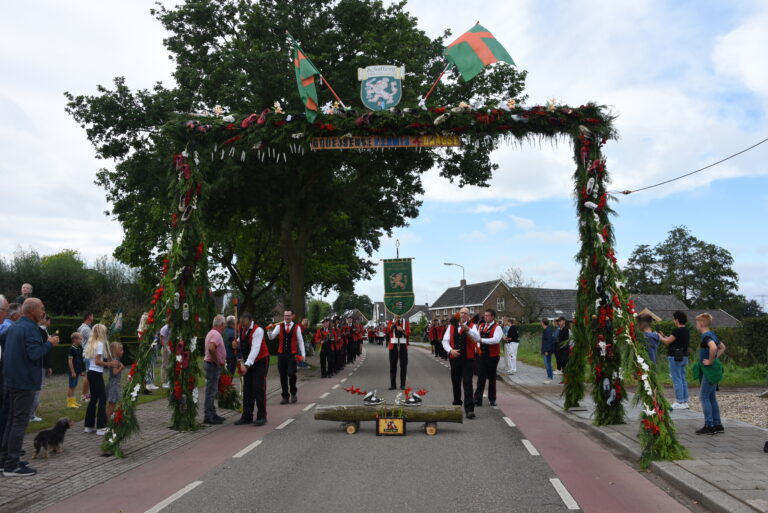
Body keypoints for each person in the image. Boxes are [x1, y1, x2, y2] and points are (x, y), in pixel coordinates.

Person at [1, 298, 59, 476]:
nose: (43, 312)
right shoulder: (31, 329)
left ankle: (5, 460)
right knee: (19, 421)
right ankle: (12, 465)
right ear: (32, 311)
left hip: (10, 380)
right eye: (42, 309)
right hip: (25, 381)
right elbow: (34, 354)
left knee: (11, 420)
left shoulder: (14, 327)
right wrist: (50, 343)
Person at [442, 308, 479, 419]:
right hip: (455, 359)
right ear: (458, 314)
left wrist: (468, 330)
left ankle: (469, 409)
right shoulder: (451, 326)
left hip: (468, 359)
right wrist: (450, 350)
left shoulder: (472, 326)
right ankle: (457, 405)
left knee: (467, 384)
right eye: (462, 313)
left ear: (468, 316)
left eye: (466, 313)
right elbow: (445, 341)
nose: (463, 315)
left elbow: (477, 339)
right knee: (456, 383)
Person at [83, 324, 120, 435]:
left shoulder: (91, 344)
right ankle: (101, 427)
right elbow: (98, 361)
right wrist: (110, 363)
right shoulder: (99, 344)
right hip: (96, 373)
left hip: (90, 373)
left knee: (93, 399)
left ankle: (88, 426)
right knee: (102, 398)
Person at [235, 312, 269, 426]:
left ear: (249, 320)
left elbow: (255, 349)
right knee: (247, 389)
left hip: (260, 361)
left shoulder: (258, 331)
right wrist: (236, 343)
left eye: (243, 322)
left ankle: (262, 416)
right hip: (249, 362)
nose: (242, 324)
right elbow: (242, 340)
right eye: (241, 322)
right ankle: (247, 416)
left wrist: (247, 365)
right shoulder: (242, 328)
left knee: (258, 387)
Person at [694, 313, 726, 435]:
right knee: (711, 397)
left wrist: (710, 360)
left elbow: (713, 348)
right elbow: (722, 347)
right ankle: (717, 424)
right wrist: (715, 359)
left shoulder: (706, 336)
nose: (696, 325)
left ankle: (709, 426)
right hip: (715, 370)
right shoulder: (712, 334)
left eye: (696, 323)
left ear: (701, 324)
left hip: (709, 371)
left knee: (703, 396)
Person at [268, 309, 305, 404]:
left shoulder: (297, 327)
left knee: (291, 373)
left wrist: (303, 355)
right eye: (285, 315)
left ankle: (293, 392)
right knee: (282, 376)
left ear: (292, 316)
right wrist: (269, 330)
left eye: (288, 315)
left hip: (292, 354)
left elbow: (300, 341)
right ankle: (285, 396)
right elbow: (271, 338)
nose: (286, 317)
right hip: (281, 354)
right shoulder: (279, 326)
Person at [659, 310, 690, 410]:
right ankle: (685, 401)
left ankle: (679, 401)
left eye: (674, 319)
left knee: (676, 379)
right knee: (682, 378)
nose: (673, 320)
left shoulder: (677, 331)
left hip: (675, 357)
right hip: (684, 356)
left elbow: (667, 341)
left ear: (677, 320)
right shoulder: (686, 330)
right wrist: (664, 336)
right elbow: (674, 340)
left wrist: (660, 337)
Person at [474, 309, 503, 407]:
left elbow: (496, 340)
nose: (485, 317)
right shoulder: (481, 326)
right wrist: (477, 348)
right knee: (481, 378)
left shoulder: (497, 327)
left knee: (491, 378)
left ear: (493, 317)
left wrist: (482, 340)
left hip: (492, 357)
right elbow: (477, 338)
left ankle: (492, 399)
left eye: (487, 315)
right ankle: (478, 399)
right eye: (485, 315)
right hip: (481, 356)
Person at [203, 315, 227, 425]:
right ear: (221, 324)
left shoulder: (211, 333)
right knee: (211, 391)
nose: (225, 327)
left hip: (211, 364)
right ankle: (208, 416)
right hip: (212, 365)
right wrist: (218, 361)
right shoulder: (216, 335)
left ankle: (212, 413)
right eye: (224, 325)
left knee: (212, 391)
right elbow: (211, 348)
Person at [387, 315, 410, 390]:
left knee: (403, 365)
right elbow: (387, 331)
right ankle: (393, 385)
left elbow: (408, 333)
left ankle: (402, 384)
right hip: (393, 345)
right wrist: (395, 323)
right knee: (393, 365)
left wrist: (402, 330)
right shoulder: (390, 321)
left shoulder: (406, 322)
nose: (397, 315)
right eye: (395, 314)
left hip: (403, 345)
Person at [106, 342, 125, 419]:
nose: (122, 351)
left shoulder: (115, 359)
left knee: (112, 404)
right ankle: (106, 421)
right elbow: (115, 373)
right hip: (114, 384)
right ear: (116, 351)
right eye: (121, 350)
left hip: (112, 383)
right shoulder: (115, 361)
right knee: (112, 404)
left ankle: (106, 419)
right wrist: (121, 368)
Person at [66, 332, 85, 408]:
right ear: (74, 339)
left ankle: (73, 401)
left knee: (74, 386)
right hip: (73, 372)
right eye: (80, 339)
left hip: (77, 371)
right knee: (71, 386)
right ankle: (69, 403)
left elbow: (79, 361)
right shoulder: (71, 349)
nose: (81, 341)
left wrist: (80, 371)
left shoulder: (78, 349)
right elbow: (70, 361)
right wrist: (73, 371)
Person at [78, 312, 94, 401]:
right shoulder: (85, 329)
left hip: (88, 353)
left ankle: (87, 394)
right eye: (92, 315)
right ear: (88, 317)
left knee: (90, 375)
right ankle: (84, 395)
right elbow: (94, 339)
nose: (93, 317)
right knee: (88, 376)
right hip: (88, 353)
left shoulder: (85, 327)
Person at [554, 317, 570, 383]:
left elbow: (565, 341)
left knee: (564, 365)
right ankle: (564, 379)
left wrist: (560, 347)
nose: (559, 323)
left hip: (564, 350)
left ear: (564, 321)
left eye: (560, 321)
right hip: (561, 350)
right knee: (562, 364)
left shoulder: (565, 329)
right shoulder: (560, 329)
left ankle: (566, 379)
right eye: (558, 321)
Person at [540, 319, 556, 384]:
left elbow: (549, 341)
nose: (540, 323)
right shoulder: (547, 330)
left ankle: (550, 377)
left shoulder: (548, 331)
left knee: (548, 364)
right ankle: (549, 377)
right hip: (545, 350)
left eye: (541, 322)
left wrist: (546, 350)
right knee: (547, 364)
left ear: (543, 323)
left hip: (547, 351)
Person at [158, 321, 172, 388]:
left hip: (170, 345)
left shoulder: (172, 328)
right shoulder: (164, 328)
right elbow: (161, 339)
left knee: (170, 364)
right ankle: (164, 382)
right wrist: (165, 348)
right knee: (164, 365)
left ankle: (169, 380)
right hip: (165, 346)